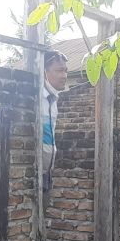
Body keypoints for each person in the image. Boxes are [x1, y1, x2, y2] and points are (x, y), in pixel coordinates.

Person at [41, 51, 68, 195]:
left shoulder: (53, 99)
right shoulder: (37, 98)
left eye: (65, 71)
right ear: (45, 72)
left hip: (46, 172)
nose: (64, 76)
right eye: (59, 70)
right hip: (32, 172)